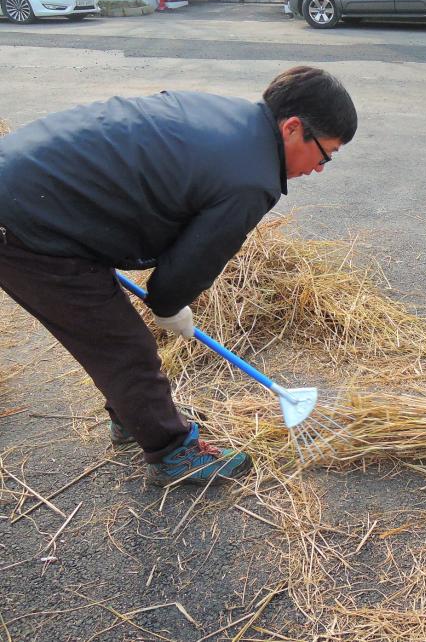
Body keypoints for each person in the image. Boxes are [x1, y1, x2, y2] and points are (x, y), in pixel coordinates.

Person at [0, 65, 357, 487]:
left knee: (111, 332)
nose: (320, 168)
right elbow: (194, 260)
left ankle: (137, 417)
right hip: (26, 223)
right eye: (325, 153)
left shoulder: (231, 119)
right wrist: (170, 304)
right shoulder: (250, 179)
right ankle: (172, 451)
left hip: (40, 194)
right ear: (293, 128)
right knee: (123, 346)